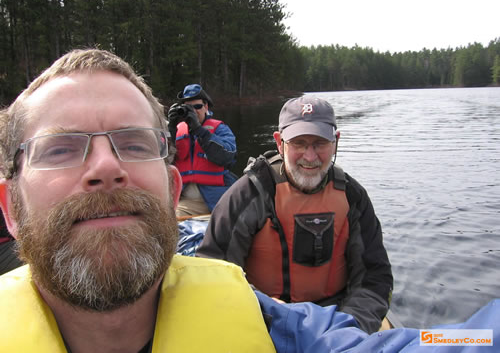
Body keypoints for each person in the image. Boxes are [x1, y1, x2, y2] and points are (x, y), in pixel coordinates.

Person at [0, 49, 275, 352]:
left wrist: (199, 132)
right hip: (188, 204)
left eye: (134, 144)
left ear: (169, 190)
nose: (106, 167)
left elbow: (224, 157)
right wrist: (176, 129)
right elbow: (177, 156)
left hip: (214, 200)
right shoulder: (178, 132)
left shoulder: (216, 130)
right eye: (60, 150)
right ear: (11, 206)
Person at [197, 96, 394, 334]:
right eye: (299, 143)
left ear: (335, 142)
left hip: (339, 321)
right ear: (280, 143)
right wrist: (265, 311)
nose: (310, 157)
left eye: (320, 143)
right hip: (263, 320)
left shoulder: (353, 196)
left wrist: (349, 327)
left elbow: (375, 277)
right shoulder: (249, 194)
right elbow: (214, 271)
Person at [167, 84, 237, 217]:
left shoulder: (220, 129)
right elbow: (163, 160)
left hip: (218, 198)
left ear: (206, 107)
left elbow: (228, 157)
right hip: (186, 201)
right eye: (188, 107)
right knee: (171, 220)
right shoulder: (177, 130)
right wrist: (171, 128)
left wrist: (200, 131)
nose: (194, 111)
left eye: (197, 106)